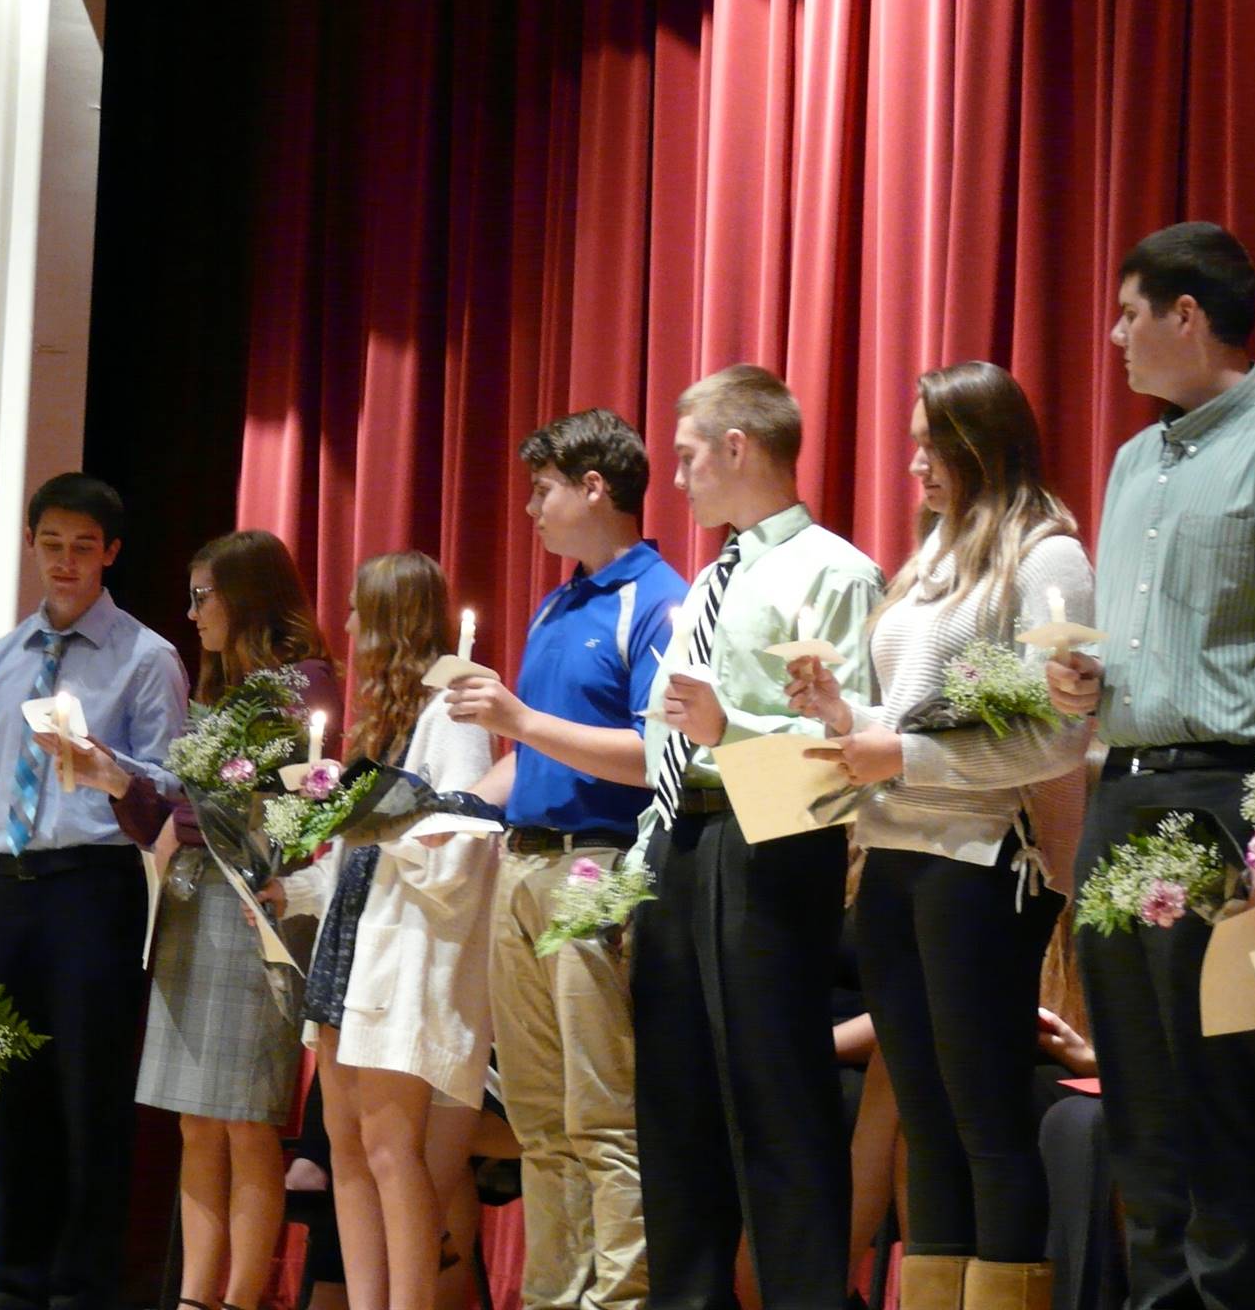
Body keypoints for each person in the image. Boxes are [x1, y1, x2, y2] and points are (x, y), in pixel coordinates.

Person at [1045, 223, 1255, 1307]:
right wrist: (1087, 686)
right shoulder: (1138, 458)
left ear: (1190, 315)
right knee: (1141, 1105)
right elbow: (1153, 648)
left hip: (1229, 802)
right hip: (1124, 790)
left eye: (1131, 313)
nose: (1116, 337)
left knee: (1224, 1105)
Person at [788, 362, 1092, 1310]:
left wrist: (901, 756)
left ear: (977, 442)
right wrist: (844, 714)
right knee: (925, 1119)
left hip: (982, 863)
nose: (912, 458)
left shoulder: (1048, 556)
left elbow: (1057, 737)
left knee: (987, 1118)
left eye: (929, 440)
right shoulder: (931, 555)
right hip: (893, 859)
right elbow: (913, 713)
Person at [631, 364, 884, 1310]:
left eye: (689, 456)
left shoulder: (835, 570)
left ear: (740, 448)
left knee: (776, 1100)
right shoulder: (710, 577)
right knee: (676, 1103)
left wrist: (728, 728)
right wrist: (640, 856)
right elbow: (671, 737)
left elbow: (847, 739)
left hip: (775, 835)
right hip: (685, 840)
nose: (680, 477)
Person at [0, 473, 189, 1310]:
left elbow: (173, 785)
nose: (65, 562)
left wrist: (110, 770)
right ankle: (15, 1286)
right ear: (32, 543)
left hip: (92, 891)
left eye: (84, 546)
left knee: (88, 1097)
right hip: (5, 894)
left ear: (110, 553)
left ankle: (83, 1290)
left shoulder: (147, 658)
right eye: (51, 543)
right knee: (10, 1095)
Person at [445, 408, 685, 1310]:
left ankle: (621, 1300)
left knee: (604, 1117)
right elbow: (534, 754)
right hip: (523, 866)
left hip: (600, 866)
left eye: (542, 489)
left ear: (595, 487)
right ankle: (552, 1295)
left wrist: (520, 721)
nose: (531, 510)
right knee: (540, 1120)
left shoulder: (657, 599)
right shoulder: (556, 603)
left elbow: (658, 753)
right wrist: (450, 806)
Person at [64, 528, 337, 1310]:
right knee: (195, 1123)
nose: (191, 615)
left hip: (253, 911)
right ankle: (194, 1298)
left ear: (246, 595)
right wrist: (113, 778)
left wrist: (173, 795)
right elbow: (173, 818)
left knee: (246, 1119)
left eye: (202, 596)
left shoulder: (302, 683)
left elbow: (292, 812)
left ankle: (242, 1298)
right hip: (191, 905)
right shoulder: (218, 697)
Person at [272, 551, 497, 1310]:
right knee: (349, 1145)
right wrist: (291, 887)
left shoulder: (450, 715)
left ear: (392, 617)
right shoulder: (383, 722)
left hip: (407, 951)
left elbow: (464, 844)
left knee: (394, 1149)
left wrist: (385, 822)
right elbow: (352, 855)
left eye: (360, 610)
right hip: (352, 943)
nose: (349, 626)